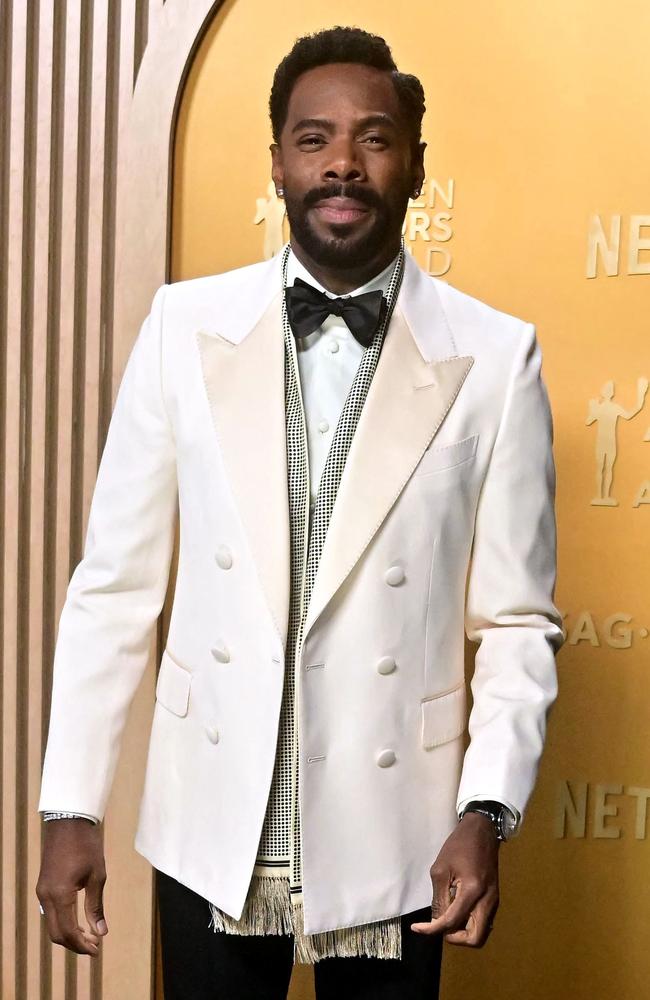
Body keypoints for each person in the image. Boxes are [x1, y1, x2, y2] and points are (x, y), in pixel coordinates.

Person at [36, 25, 565, 1000]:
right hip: (211, 820)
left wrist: (483, 809)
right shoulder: (181, 331)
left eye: (372, 138)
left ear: (414, 165)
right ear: (275, 162)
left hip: (398, 829)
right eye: (312, 138)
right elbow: (113, 587)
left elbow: (515, 621)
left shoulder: (495, 359)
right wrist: (70, 804)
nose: (342, 165)